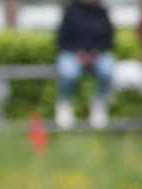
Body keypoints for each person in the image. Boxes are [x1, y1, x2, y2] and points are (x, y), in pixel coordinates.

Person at [55, 0, 117, 131]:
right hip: (72, 54)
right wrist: (78, 52)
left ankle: (99, 104)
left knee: (108, 69)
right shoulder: (71, 10)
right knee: (69, 72)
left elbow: (109, 39)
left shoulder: (102, 12)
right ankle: (64, 104)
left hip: (97, 55)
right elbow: (62, 39)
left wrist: (96, 52)